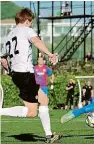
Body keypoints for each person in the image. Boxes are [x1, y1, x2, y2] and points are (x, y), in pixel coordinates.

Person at [0, 8, 61, 143]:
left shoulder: (9, 36)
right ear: (26, 20)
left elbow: (3, 59)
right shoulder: (27, 30)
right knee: (34, 110)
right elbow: (37, 41)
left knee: (39, 105)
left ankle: (49, 136)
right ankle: (49, 136)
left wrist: (10, 71)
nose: (31, 24)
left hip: (17, 75)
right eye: (31, 21)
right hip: (26, 73)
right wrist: (50, 54)